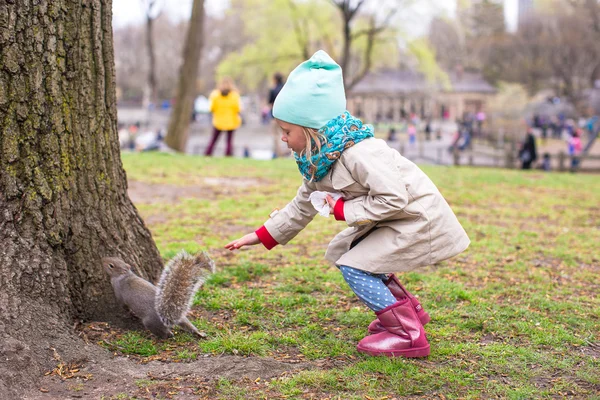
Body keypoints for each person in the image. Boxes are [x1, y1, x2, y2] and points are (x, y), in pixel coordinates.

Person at [225, 50, 470, 358]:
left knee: (354, 264)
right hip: (393, 219)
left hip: (417, 219)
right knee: (348, 252)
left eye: (287, 131)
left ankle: (407, 334)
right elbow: (302, 205)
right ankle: (409, 314)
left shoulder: (360, 153)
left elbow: (394, 197)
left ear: (312, 129)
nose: (284, 139)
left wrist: (343, 211)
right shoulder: (319, 160)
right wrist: (261, 235)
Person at [205, 77, 242, 156]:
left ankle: (208, 153)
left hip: (218, 121)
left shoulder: (215, 95)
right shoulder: (234, 96)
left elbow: (211, 108)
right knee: (229, 141)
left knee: (214, 139)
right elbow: (238, 109)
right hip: (231, 120)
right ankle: (228, 155)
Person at [269, 72, 286, 158]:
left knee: (276, 136)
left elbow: (270, 103)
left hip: (275, 116)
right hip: (286, 116)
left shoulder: (273, 90)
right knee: (288, 134)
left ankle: (278, 154)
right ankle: (290, 153)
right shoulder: (286, 88)